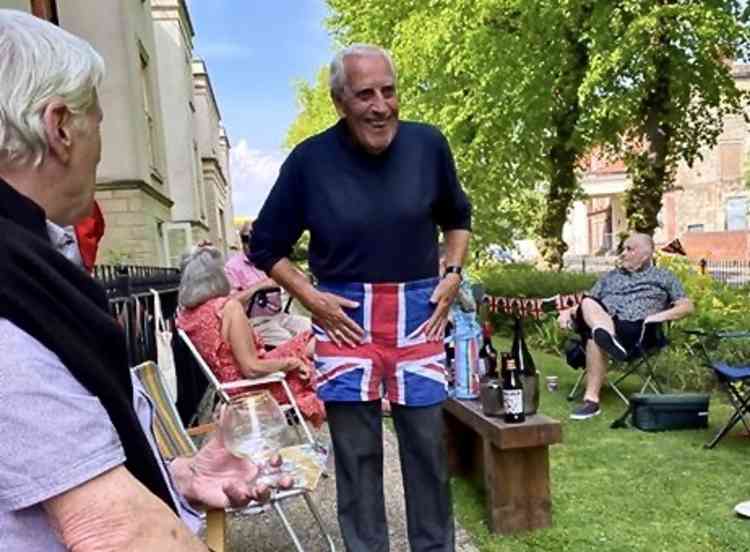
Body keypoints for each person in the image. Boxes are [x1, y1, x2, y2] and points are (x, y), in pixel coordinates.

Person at [0, 11, 276, 550]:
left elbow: (54, 469)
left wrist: (178, 475)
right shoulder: (15, 289)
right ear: (60, 128)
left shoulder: (34, 266)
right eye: (97, 121)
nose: (100, 149)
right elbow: (116, 533)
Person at [250, 43, 472, 551]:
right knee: (356, 456)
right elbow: (267, 245)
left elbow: (457, 217)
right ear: (339, 101)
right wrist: (311, 297)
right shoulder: (309, 161)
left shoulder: (428, 145)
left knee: (426, 450)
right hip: (344, 320)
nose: (380, 106)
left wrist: (454, 273)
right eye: (365, 94)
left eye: (389, 92)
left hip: (419, 317)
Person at [177, 246, 326, 427]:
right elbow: (252, 368)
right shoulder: (227, 309)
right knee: (321, 354)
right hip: (253, 389)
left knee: (311, 339)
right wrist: (292, 363)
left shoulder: (188, 315)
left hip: (233, 387)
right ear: (218, 277)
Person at [559, 233, 694, 420]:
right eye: (623, 249)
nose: (623, 253)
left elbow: (686, 306)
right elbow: (588, 304)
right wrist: (566, 312)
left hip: (638, 329)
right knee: (588, 302)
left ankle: (591, 401)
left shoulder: (663, 277)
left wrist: (656, 318)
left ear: (645, 256)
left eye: (630, 249)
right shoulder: (610, 277)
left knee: (593, 337)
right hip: (604, 320)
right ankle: (607, 337)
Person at [225, 220, 311, 346]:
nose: (249, 242)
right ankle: (297, 362)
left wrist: (295, 277)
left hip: (280, 316)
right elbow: (229, 303)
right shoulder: (232, 267)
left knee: (313, 329)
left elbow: (302, 280)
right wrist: (261, 286)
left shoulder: (270, 259)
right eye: (245, 238)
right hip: (253, 322)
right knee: (289, 342)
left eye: (253, 238)